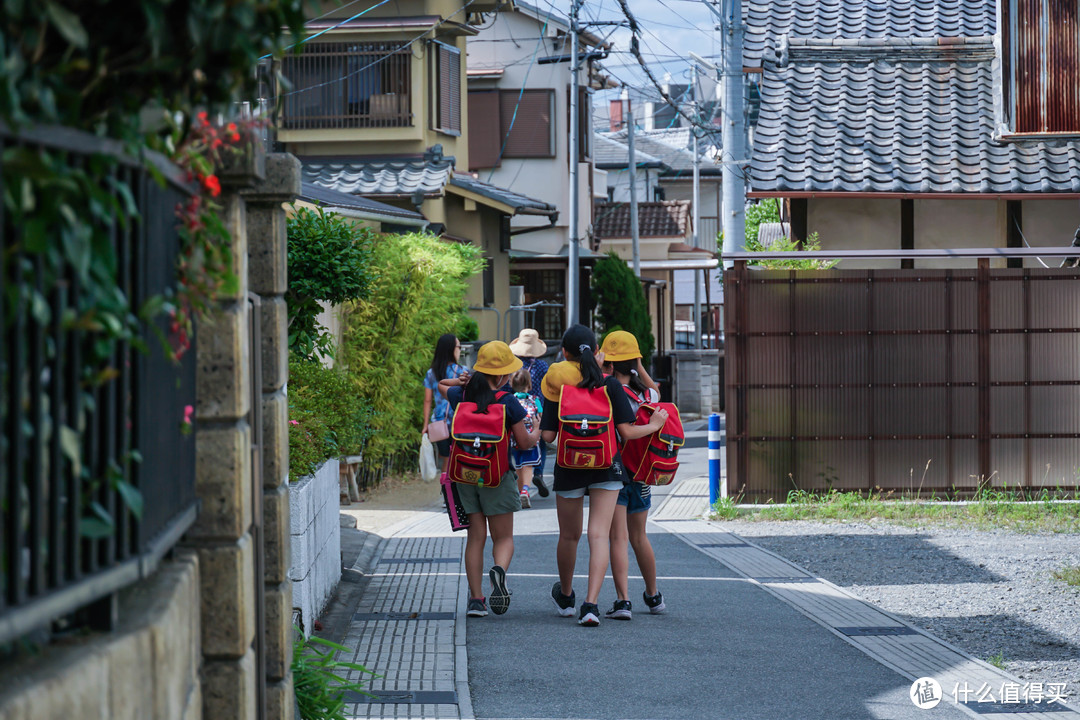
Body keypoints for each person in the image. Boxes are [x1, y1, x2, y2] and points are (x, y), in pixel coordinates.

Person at [539, 324, 668, 626]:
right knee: (599, 535)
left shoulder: (557, 383)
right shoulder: (609, 384)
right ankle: (590, 605)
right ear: (597, 352)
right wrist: (655, 424)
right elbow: (626, 431)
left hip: (569, 466)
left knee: (569, 536)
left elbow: (546, 436)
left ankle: (567, 595)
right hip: (607, 465)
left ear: (565, 353)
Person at [442, 342, 540, 618]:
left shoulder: (460, 396)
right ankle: (498, 569)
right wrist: (539, 430)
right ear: (501, 377)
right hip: (497, 476)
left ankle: (476, 600)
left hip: (465, 475)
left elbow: (440, 384)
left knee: (476, 536)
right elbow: (524, 443)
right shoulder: (508, 402)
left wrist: (462, 380)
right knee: (504, 537)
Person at [599, 330, 666, 619]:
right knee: (640, 536)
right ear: (635, 362)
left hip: (616, 471)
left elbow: (620, 428)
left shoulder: (607, 391)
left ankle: (623, 601)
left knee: (618, 537)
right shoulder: (645, 393)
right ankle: (653, 596)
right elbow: (658, 393)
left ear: (610, 365)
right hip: (642, 472)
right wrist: (639, 366)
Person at [509, 329, 551, 498]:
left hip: (516, 411)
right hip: (536, 410)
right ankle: (538, 473)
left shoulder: (513, 366)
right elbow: (548, 388)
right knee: (539, 441)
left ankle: (517, 472)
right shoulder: (542, 366)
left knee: (516, 443)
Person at [422, 334, 469, 468]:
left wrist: (425, 425)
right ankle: (455, 487)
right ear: (451, 349)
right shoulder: (463, 372)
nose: (460, 350)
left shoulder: (432, 373)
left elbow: (427, 400)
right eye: (459, 347)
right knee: (459, 458)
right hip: (460, 422)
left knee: (446, 460)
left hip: (438, 423)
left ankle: (445, 487)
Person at [509, 368, 543, 508]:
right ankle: (525, 490)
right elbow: (541, 416)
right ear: (529, 385)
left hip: (514, 439)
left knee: (518, 464)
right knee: (528, 465)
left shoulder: (511, 400)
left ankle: (518, 492)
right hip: (531, 438)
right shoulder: (535, 400)